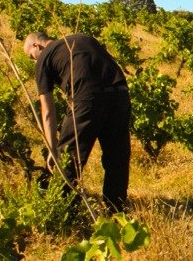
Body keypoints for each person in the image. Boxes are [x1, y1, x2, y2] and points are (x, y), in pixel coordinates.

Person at [24, 32, 131, 213]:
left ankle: (63, 211)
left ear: (37, 46)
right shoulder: (82, 38)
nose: (34, 61)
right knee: (117, 157)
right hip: (120, 93)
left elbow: (48, 111)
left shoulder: (44, 58)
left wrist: (53, 149)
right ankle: (116, 209)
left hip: (87, 98)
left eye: (31, 57)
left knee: (69, 157)